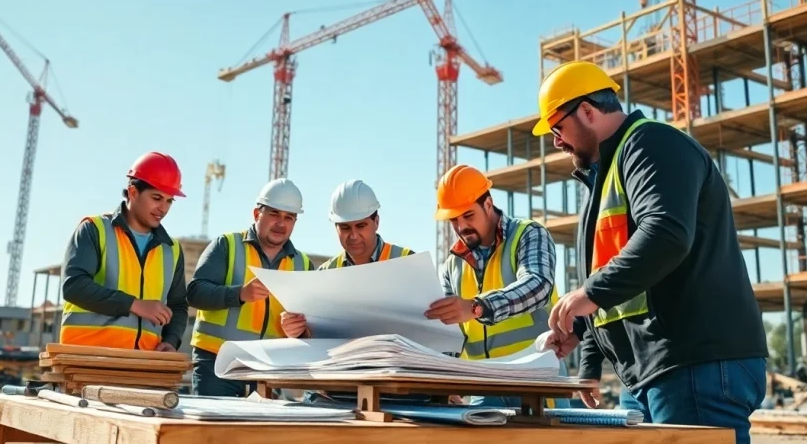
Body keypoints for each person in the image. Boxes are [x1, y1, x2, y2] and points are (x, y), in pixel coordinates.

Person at [530, 60, 768, 443]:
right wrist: (587, 353)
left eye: (558, 127)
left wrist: (588, 295)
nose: (556, 141)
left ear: (587, 112)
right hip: (651, 372)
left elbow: (667, 233)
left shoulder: (651, 143)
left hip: (693, 363)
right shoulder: (610, 175)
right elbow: (613, 281)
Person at [425, 164, 569, 409]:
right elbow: (448, 334)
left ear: (488, 205)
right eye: (454, 220)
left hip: (538, 377)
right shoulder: (452, 265)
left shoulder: (528, 234)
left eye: (468, 216)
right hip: (484, 386)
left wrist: (477, 307)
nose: (461, 228)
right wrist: (443, 383)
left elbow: (538, 285)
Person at [186, 178, 314, 397]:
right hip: (217, 364)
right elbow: (195, 293)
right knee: (217, 431)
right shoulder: (226, 245)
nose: (281, 223)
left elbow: (313, 325)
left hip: (269, 370)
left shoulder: (303, 265)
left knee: (256, 432)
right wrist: (239, 294)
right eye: (274, 214)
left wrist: (300, 330)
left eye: (289, 217)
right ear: (257, 214)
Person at [59, 151, 188, 352]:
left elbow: (178, 305)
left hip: (142, 362)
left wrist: (171, 340)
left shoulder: (172, 250)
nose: (163, 208)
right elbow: (74, 286)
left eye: (169, 201)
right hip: (87, 356)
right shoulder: (94, 229)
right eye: (156, 198)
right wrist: (134, 304)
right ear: (133, 192)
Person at [280, 179, 413, 339]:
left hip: (397, 361)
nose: (354, 236)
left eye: (361, 226)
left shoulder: (407, 262)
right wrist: (298, 331)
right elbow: (315, 336)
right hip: (344, 362)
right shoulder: (325, 273)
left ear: (376, 222)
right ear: (335, 227)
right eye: (345, 228)